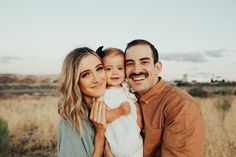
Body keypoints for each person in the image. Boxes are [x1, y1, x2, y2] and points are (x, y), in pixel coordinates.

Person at [124, 39, 205, 157]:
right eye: (130, 63)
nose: (136, 70)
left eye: (144, 62)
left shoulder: (180, 105)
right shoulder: (124, 98)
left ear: (157, 67)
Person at [57, 47, 107, 157]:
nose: (97, 79)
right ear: (74, 81)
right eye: (86, 74)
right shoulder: (72, 123)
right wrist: (100, 135)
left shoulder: (104, 107)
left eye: (99, 69)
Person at [96, 47, 143, 157]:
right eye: (108, 69)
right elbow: (101, 118)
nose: (115, 72)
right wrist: (118, 111)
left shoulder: (126, 87)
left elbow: (135, 103)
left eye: (120, 68)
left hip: (136, 143)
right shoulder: (102, 94)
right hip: (117, 146)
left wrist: (139, 119)